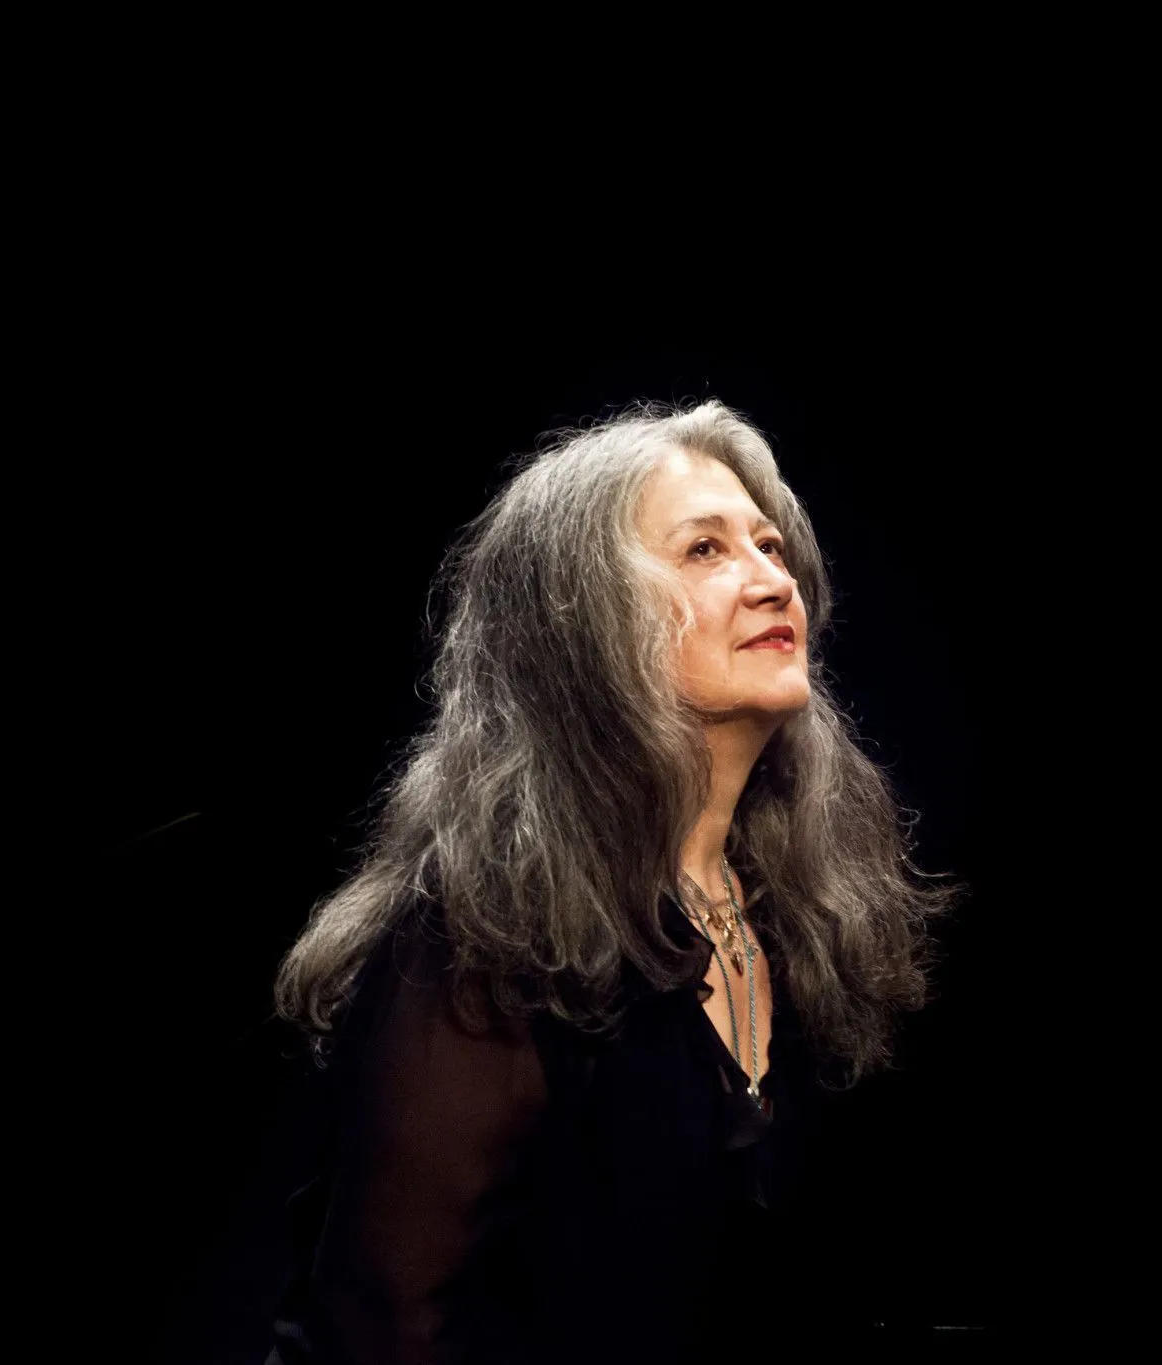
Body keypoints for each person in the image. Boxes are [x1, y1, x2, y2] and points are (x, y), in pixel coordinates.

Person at [264, 399, 960, 1363]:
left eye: (769, 546)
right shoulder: (483, 937)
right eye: (705, 550)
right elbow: (381, 1328)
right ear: (585, 623)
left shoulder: (795, 907)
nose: (775, 581)